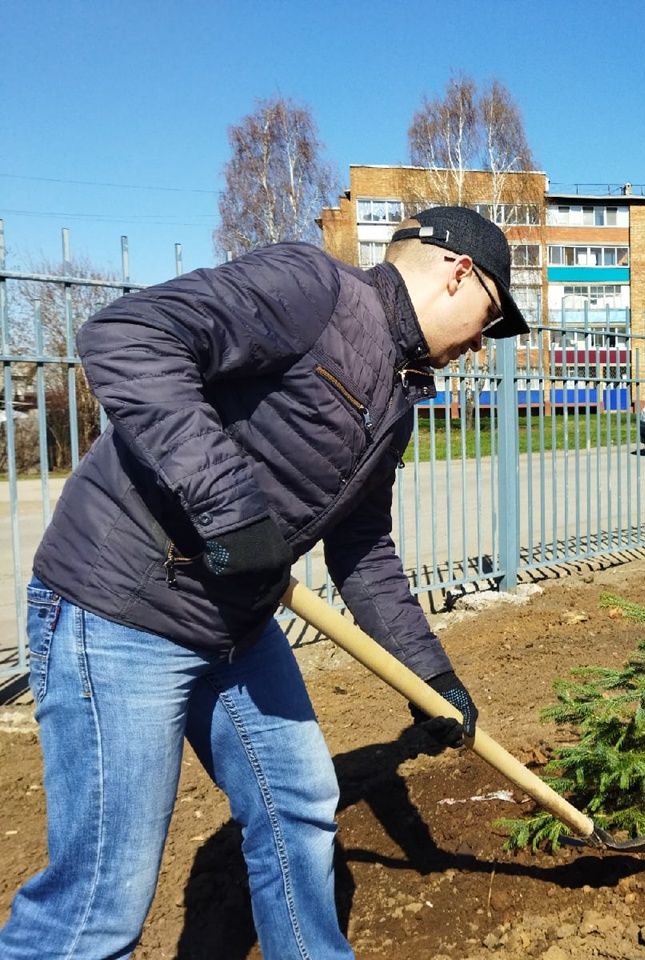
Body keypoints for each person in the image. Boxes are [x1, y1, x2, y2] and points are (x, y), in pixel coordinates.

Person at [0, 206, 529, 958]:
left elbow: (364, 550)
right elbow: (127, 336)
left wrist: (429, 676)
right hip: (119, 608)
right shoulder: (312, 288)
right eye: (490, 318)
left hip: (234, 625)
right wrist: (229, 507)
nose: (481, 343)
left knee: (300, 805)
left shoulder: (397, 397)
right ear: (458, 271)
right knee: (100, 904)